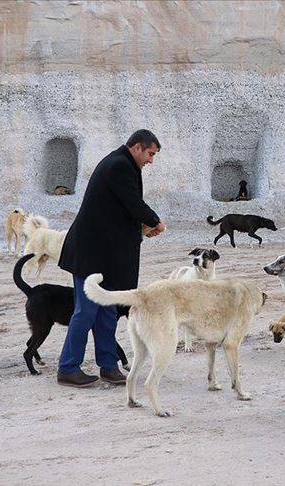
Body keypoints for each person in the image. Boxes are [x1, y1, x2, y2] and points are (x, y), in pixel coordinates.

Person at [56, 129, 167, 387]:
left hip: (105, 255)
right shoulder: (119, 165)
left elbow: (115, 211)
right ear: (138, 147)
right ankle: (67, 368)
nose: (151, 160)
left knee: (107, 309)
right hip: (90, 253)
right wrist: (154, 222)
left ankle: (108, 366)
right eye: (150, 154)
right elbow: (132, 203)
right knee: (85, 312)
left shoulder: (122, 164)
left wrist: (140, 229)